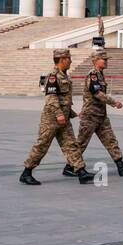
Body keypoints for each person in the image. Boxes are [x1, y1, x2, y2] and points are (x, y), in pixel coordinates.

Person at [19, 49, 93, 185]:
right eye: (69, 58)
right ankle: (26, 172)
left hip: (63, 119)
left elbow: (63, 99)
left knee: (71, 145)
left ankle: (81, 171)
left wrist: (72, 113)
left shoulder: (64, 76)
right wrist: (59, 114)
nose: (71, 61)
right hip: (51, 119)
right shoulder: (53, 76)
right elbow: (51, 98)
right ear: (63, 59)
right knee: (42, 145)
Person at [69, 49, 123, 178]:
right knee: (82, 142)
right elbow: (97, 93)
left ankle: (120, 165)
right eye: (103, 59)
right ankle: (70, 166)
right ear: (95, 60)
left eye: (106, 59)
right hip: (90, 115)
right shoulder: (93, 75)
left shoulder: (100, 74)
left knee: (110, 140)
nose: (106, 62)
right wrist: (114, 102)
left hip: (100, 115)